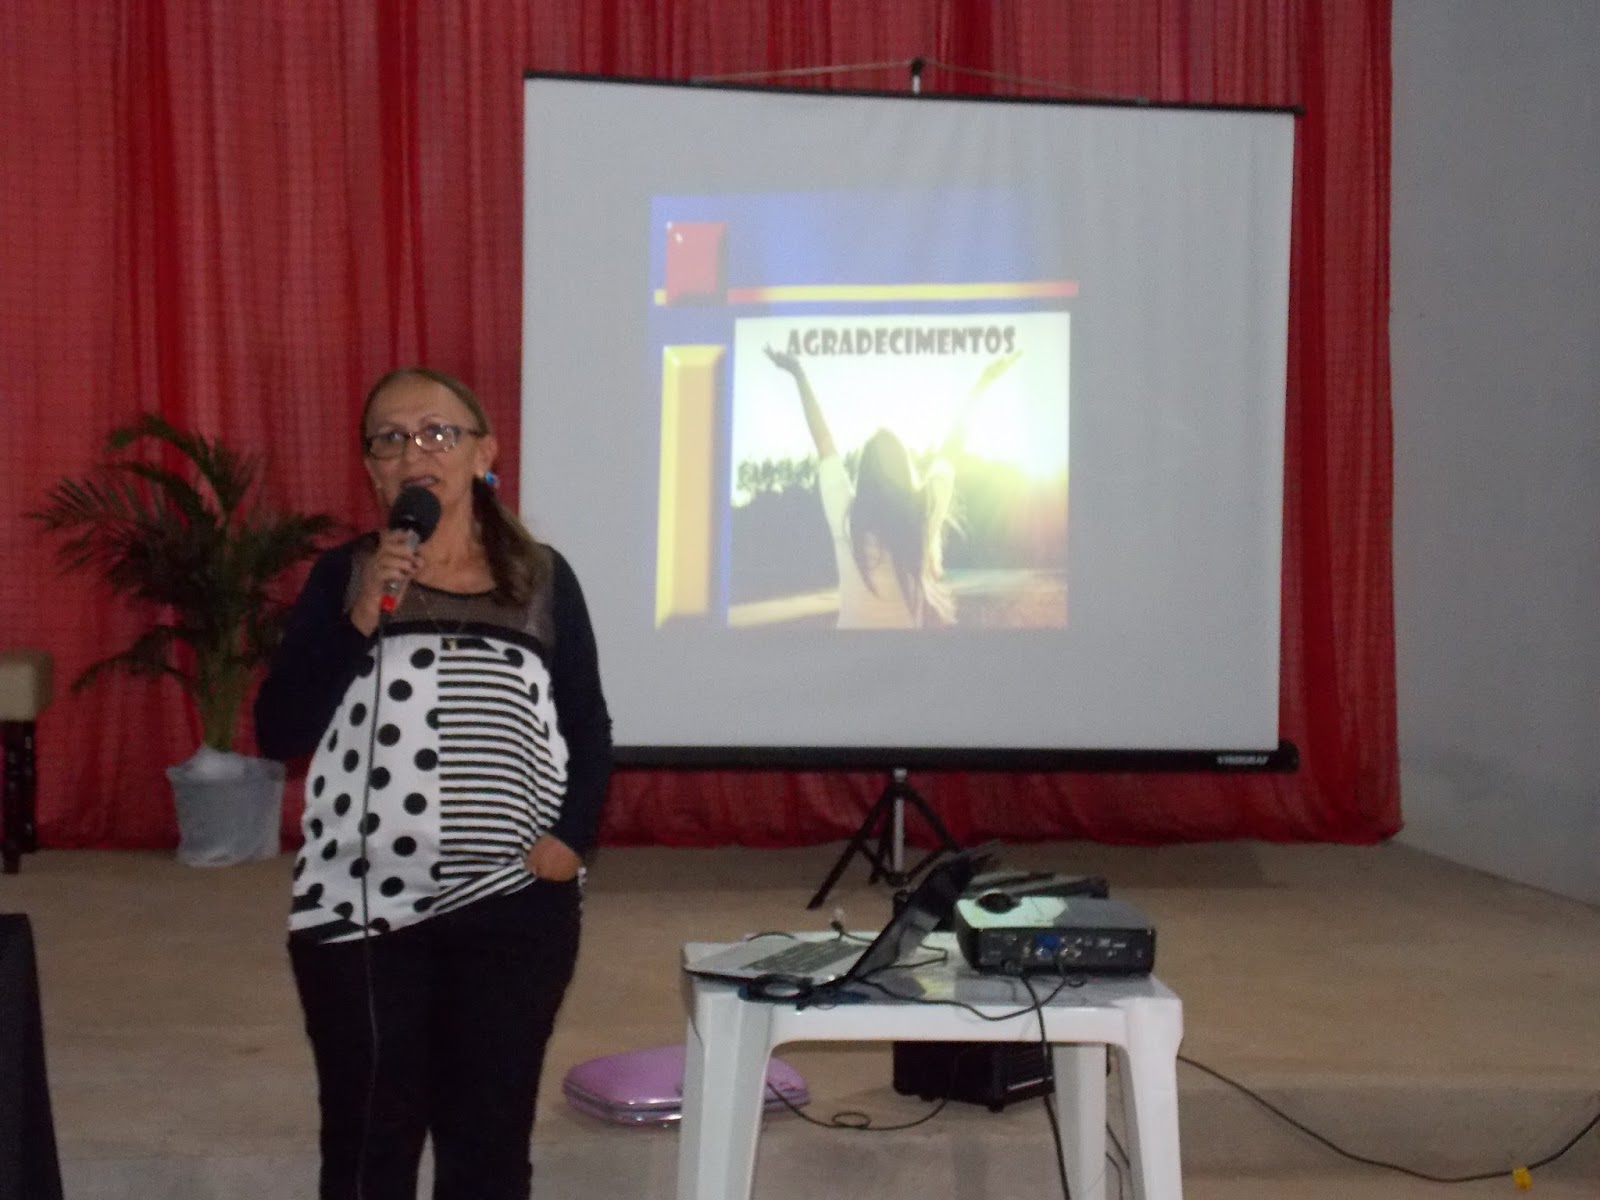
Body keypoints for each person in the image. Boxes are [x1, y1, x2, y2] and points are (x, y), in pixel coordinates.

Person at [254, 366, 612, 1200]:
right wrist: (359, 618)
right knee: (367, 1139)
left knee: (488, 1141)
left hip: (512, 901)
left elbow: (587, 726)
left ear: (484, 454)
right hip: (362, 904)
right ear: (372, 470)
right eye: (391, 439)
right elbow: (279, 731)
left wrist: (571, 839)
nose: (415, 453)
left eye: (438, 433)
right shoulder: (345, 576)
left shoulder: (542, 579)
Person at [764, 345, 1020, 628]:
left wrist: (798, 374)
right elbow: (952, 448)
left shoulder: (846, 518)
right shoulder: (921, 517)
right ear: (904, 470)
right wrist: (983, 383)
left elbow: (823, 441)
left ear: (864, 473)